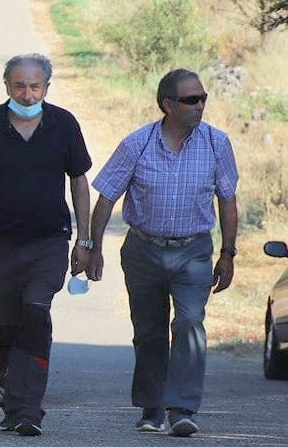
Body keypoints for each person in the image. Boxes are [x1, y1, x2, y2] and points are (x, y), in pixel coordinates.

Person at [87, 69, 238, 437]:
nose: (200, 105)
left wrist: (229, 254)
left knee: (189, 323)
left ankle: (182, 409)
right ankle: (152, 408)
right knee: (149, 330)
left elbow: (228, 200)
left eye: (202, 98)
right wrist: (93, 248)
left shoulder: (217, 143)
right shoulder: (137, 143)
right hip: (143, 249)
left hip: (194, 250)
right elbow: (107, 196)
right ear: (167, 105)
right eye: (191, 100)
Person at [0, 54, 93, 436]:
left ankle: (28, 408)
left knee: (36, 311)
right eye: (19, 86)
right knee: (7, 324)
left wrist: (85, 239)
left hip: (49, 241)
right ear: (7, 86)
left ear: (46, 87)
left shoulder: (64, 124)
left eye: (35, 87)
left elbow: (79, 181)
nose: (27, 94)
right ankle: (9, 383)